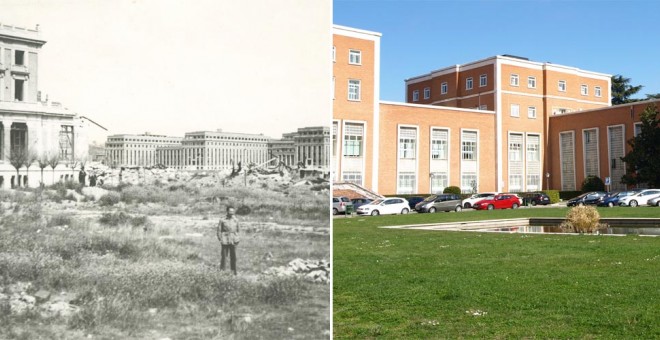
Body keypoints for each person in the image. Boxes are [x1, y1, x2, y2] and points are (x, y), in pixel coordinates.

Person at [217, 206, 240, 275]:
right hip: (225, 240)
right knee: (224, 257)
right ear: (227, 211)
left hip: (233, 240)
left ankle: (233, 272)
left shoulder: (236, 220)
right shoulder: (222, 220)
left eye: (233, 211)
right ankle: (222, 272)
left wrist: (237, 238)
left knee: (233, 257)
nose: (231, 213)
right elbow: (219, 230)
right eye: (230, 211)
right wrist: (220, 239)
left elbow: (238, 230)